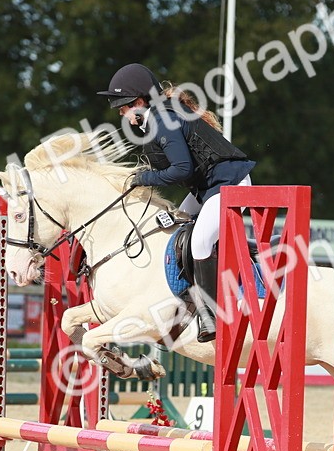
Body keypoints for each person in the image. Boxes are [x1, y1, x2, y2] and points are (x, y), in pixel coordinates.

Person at [97, 63, 256, 343]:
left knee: (200, 243)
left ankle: (212, 312)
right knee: (174, 222)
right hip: (208, 188)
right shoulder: (156, 118)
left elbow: (181, 169)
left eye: (123, 106)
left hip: (231, 185)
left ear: (139, 101)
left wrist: (144, 178)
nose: (121, 112)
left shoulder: (162, 120)